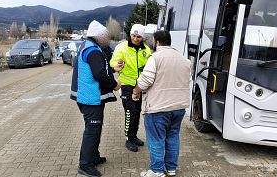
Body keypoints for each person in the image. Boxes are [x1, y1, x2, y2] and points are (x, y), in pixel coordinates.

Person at [132, 30, 191, 177]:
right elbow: (187, 80)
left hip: (158, 108)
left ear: (157, 42)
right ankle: (171, 168)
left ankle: (157, 171)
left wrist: (136, 91)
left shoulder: (155, 58)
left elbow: (145, 81)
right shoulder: (185, 60)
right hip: (179, 108)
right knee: (172, 137)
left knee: (156, 139)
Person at [70, 20, 121, 177]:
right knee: (92, 130)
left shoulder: (89, 47)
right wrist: (114, 84)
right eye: (106, 36)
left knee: (95, 128)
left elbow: (99, 67)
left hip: (88, 97)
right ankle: (85, 165)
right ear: (99, 36)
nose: (108, 39)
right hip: (90, 99)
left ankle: (93, 157)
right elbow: (98, 74)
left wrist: (113, 69)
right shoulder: (93, 50)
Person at [110, 24, 152, 152]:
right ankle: (128, 139)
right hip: (126, 85)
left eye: (138, 36)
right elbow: (113, 61)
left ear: (143, 38)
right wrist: (117, 64)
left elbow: (149, 65)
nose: (135, 38)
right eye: (133, 35)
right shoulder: (122, 47)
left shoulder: (146, 50)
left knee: (137, 111)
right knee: (130, 111)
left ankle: (134, 136)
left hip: (139, 86)